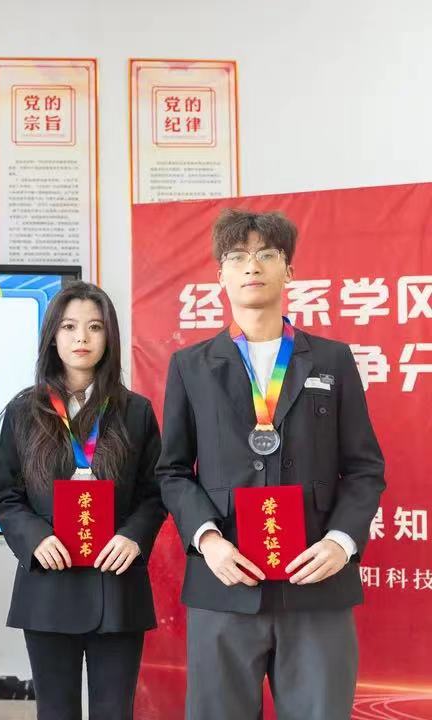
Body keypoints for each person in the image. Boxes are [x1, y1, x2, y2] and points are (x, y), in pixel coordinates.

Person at [157, 209, 386, 719]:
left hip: (317, 584)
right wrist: (208, 541)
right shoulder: (191, 366)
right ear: (220, 274)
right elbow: (171, 471)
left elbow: (365, 468)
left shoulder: (331, 359)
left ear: (289, 271)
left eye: (266, 254)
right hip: (225, 582)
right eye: (237, 256)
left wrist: (341, 542)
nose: (251, 265)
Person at [0, 282, 165, 719]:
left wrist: (133, 537)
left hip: (117, 585)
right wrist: (34, 538)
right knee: (56, 710)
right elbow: (6, 495)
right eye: (69, 327)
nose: (82, 338)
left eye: (95, 327)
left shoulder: (136, 411)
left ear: (109, 337)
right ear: (53, 336)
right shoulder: (23, 411)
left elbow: (155, 492)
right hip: (49, 586)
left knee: (114, 710)